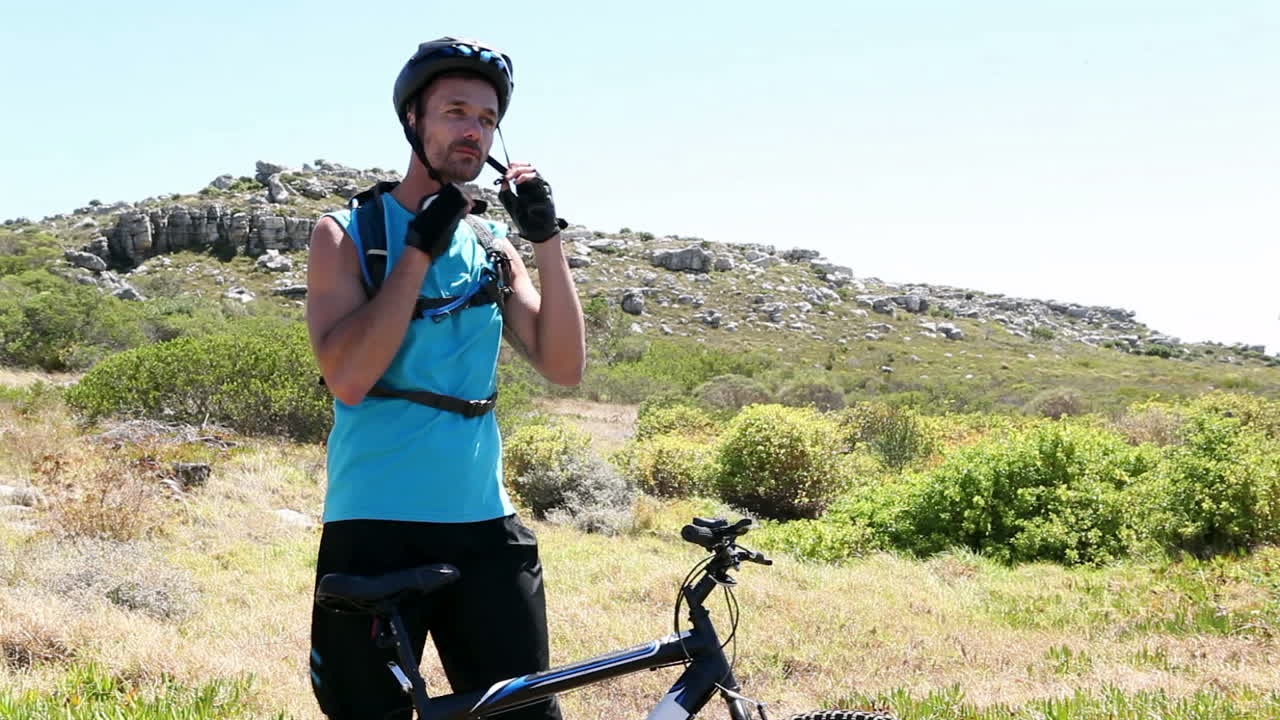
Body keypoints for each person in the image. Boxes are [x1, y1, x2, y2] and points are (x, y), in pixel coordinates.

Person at [304, 36, 584, 720]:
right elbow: (348, 377)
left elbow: (565, 367)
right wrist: (420, 248)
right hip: (374, 524)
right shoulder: (346, 234)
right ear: (413, 122)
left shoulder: (493, 247)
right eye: (456, 111)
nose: (472, 130)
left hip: (485, 527)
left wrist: (545, 239)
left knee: (518, 715)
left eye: (486, 119)